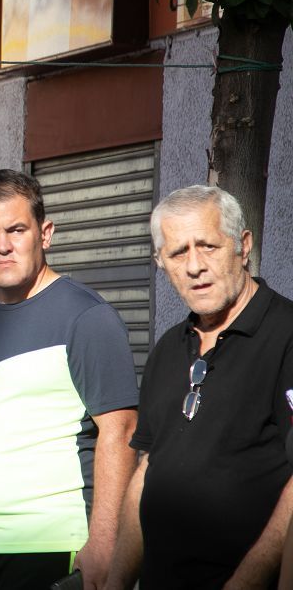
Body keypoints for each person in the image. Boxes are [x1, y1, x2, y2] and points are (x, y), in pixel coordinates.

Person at [0, 169, 139, 590]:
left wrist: (105, 542)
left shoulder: (87, 317)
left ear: (46, 233)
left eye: (16, 229)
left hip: (55, 547)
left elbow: (121, 430)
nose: (3, 245)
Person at [107, 185, 293, 590]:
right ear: (160, 262)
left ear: (243, 246)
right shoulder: (167, 349)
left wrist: (243, 583)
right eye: (178, 252)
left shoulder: (286, 335)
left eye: (208, 246)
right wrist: (117, 580)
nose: (194, 266)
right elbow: (148, 470)